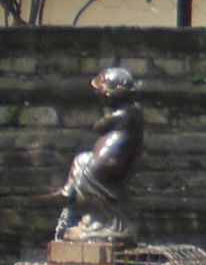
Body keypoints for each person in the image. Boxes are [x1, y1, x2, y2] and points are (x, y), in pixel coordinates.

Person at [56, 67, 145, 238]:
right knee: (82, 159)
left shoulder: (128, 113)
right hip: (103, 159)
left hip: (110, 162)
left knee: (90, 175)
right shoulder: (127, 112)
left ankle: (107, 221)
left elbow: (99, 126)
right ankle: (85, 209)